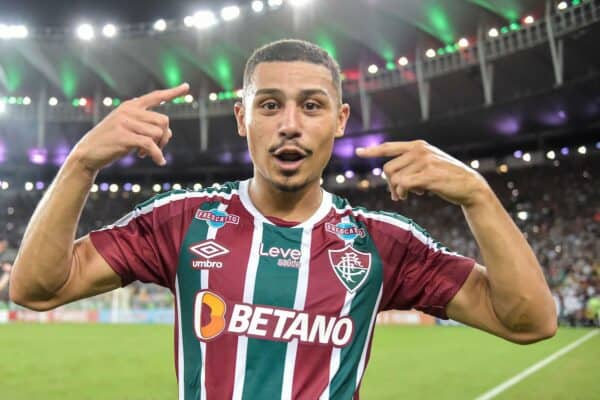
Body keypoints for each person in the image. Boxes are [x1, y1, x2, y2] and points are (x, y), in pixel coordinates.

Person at [10, 39, 556, 399]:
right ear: (242, 117)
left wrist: (479, 197)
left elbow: (530, 322)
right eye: (269, 105)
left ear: (340, 120)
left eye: (312, 106)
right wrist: (81, 162)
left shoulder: (381, 244)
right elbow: (35, 289)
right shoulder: (180, 222)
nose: (290, 125)